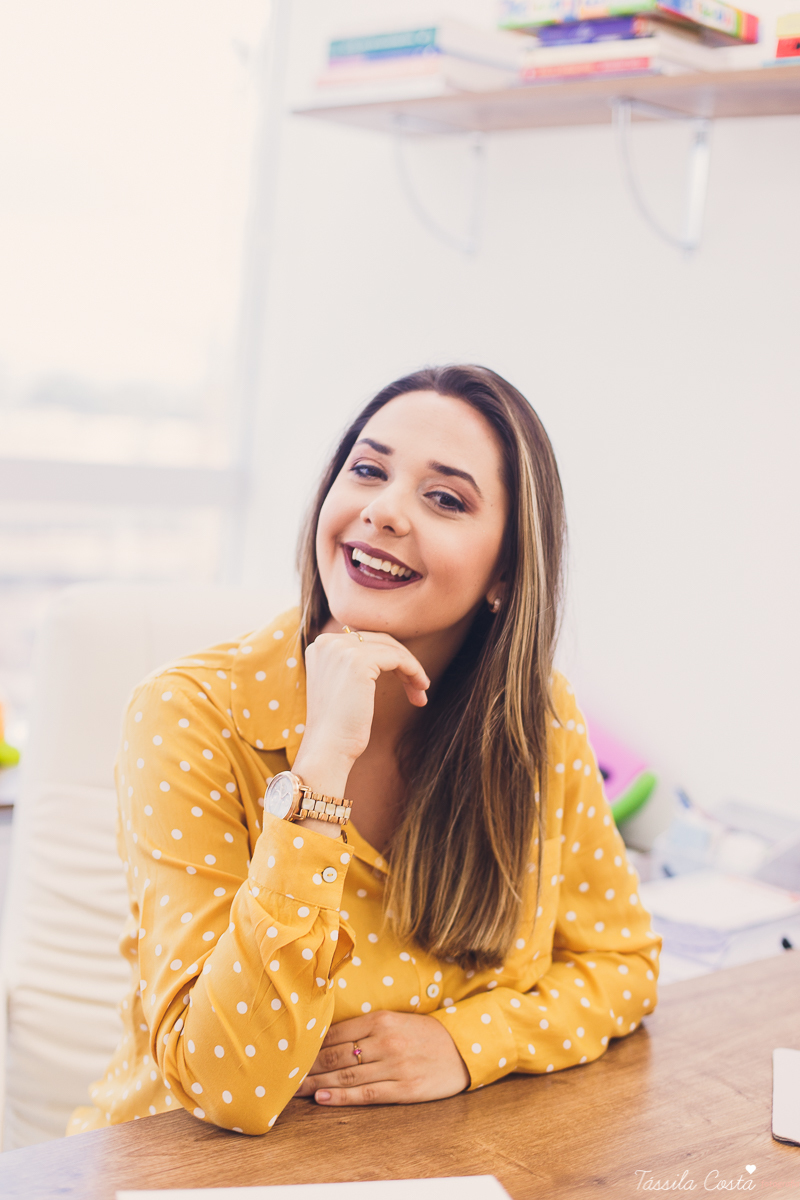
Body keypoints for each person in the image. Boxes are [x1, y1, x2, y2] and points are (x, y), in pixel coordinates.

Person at [68, 364, 661, 1137]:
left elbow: (622, 966)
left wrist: (467, 1044)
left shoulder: (535, 721)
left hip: (427, 1159)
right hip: (186, 1164)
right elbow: (226, 1085)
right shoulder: (190, 714)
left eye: (445, 498)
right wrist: (321, 770)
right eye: (368, 471)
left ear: (506, 572)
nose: (383, 510)